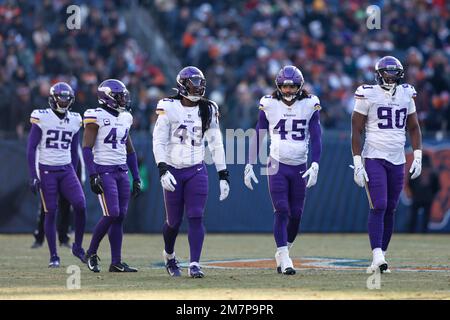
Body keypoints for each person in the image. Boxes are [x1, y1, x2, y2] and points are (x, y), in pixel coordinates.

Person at [244, 65, 322, 275]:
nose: (288, 91)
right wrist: (250, 162)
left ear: (300, 86)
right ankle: (284, 256)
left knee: (296, 214)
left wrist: (315, 163)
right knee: (282, 210)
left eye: (292, 86)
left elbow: (316, 135)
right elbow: (259, 132)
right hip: (276, 163)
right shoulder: (268, 103)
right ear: (278, 86)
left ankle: (283, 250)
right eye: (284, 87)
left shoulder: (309, 103)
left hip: (300, 165)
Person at [152, 66, 229, 278]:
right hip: (173, 170)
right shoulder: (169, 106)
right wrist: (162, 168)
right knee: (173, 222)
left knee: (196, 216)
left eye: (200, 84)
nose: (197, 88)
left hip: (196, 169)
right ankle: (169, 255)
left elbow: (216, 143)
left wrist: (223, 174)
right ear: (182, 86)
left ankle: (194, 263)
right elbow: (158, 140)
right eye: (193, 84)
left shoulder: (208, 108)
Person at [351, 56, 423, 273]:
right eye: (387, 72)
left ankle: (381, 257)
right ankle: (377, 254)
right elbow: (356, 129)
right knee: (379, 204)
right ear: (378, 73)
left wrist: (417, 155)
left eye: (394, 72)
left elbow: (414, 127)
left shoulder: (406, 93)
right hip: (374, 156)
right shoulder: (367, 93)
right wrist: (356, 161)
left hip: (398, 158)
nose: (390, 76)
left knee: (391, 208)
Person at [82, 79, 142, 273]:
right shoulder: (95, 116)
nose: (123, 99)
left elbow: (130, 151)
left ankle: (116, 262)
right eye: (119, 96)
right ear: (107, 97)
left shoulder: (125, 117)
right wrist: (92, 175)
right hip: (104, 170)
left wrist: (137, 176)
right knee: (112, 213)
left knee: (120, 216)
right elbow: (86, 149)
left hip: (122, 171)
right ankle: (90, 252)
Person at [26, 82, 87, 267]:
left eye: (67, 98)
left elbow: (75, 151)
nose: (64, 101)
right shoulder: (42, 116)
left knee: (80, 204)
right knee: (50, 212)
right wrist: (33, 175)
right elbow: (31, 148)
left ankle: (77, 246)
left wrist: (75, 172)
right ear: (53, 99)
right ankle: (54, 256)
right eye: (61, 97)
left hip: (67, 169)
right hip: (47, 170)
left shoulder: (75, 119)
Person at [31, 147, 86, 249]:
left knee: (66, 206)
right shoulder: (46, 132)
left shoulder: (71, 132)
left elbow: (77, 152)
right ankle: (39, 237)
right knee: (47, 207)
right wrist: (37, 175)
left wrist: (81, 177)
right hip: (50, 170)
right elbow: (37, 149)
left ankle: (64, 238)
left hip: (67, 172)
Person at [408, 154, 440, 233]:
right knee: (426, 217)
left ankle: (411, 232)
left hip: (417, 197)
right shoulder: (433, 171)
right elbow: (436, 186)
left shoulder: (416, 169)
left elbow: (410, 182)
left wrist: (414, 192)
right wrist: (432, 194)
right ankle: (424, 232)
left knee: (413, 216)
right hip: (428, 197)